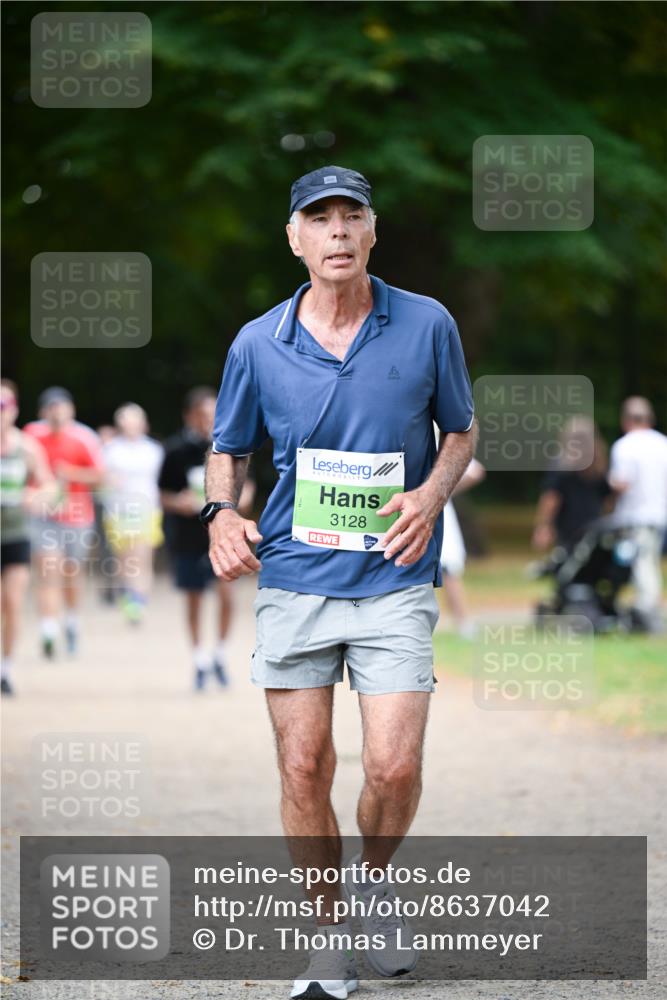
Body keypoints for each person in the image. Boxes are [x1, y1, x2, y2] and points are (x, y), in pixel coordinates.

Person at [203, 166, 475, 999]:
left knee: (391, 766)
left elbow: (459, 431)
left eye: (350, 216)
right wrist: (220, 512)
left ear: (371, 229)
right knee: (303, 766)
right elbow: (229, 445)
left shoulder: (426, 323)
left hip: (393, 575)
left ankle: (377, 880)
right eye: (317, 219)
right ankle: (327, 941)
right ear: (294, 238)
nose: (336, 232)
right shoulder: (258, 340)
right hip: (294, 578)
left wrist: (430, 496)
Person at [159, 388, 246, 690]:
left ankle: (220, 654)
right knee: (194, 598)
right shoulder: (174, 450)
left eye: (212, 414)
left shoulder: (230, 445)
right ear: (189, 416)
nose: (207, 420)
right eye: (202, 415)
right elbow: (162, 494)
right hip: (187, 535)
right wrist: (178, 502)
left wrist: (233, 503)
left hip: (221, 535)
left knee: (226, 595)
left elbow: (248, 487)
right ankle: (199, 659)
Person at [23, 387, 105, 658]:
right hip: (43, 515)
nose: (57, 413)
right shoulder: (31, 436)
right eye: (51, 408)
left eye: (62, 407)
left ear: (71, 411)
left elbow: (101, 476)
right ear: (42, 412)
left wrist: (71, 474)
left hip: (77, 518)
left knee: (71, 573)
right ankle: (48, 628)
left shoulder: (84, 438)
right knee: (47, 569)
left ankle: (71, 620)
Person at [0, 380, 56, 694]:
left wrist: (36, 496)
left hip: (16, 534)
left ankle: (5, 669)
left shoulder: (27, 447)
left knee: (12, 603)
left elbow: (49, 484)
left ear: (14, 410)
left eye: (3, 406)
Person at [608, 397, 667, 632]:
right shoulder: (663, 443)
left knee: (642, 564)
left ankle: (649, 611)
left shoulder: (625, 446)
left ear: (626, 420)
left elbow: (622, 482)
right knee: (649, 561)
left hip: (635, 516)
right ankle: (646, 607)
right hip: (661, 515)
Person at [102, 403, 164, 624]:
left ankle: (139, 599)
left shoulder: (154, 450)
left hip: (146, 510)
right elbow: (102, 478)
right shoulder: (111, 450)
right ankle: (129, 593)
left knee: (142, 556)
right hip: (118, 512)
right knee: (124, 559)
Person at [532, 416, 612, 554]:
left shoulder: (561, 464)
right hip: (594, 526)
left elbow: (551, 498)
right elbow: (608, 500)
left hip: (567, 528)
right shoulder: (599, 465)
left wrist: (544, 526)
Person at [439, 457, 485, 636]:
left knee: (448, 570)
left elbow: (475, 471)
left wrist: (440, 491)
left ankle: (463, 623)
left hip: (439, 515)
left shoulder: (441, 444)